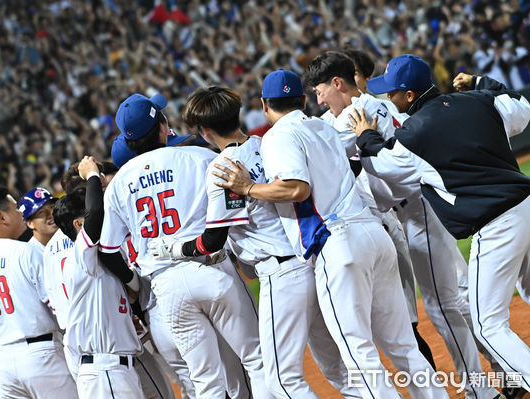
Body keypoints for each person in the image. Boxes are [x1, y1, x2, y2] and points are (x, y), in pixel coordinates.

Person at [214, 69, 447, 399]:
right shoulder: (323, 126)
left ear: (264, 105)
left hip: (338, 245)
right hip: (373, 234)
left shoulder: (278, 136)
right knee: (404, 347)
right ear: (304, 100)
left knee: (359, 354)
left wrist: (248, 187)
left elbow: (295, 187)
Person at [304, 51, 503, 399]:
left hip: (416, 208)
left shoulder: (354, 114)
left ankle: (482, 389)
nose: (318, 100)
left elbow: (330, 158)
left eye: (320, 90)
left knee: (443, 307)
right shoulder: (379, 104)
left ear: (337, 84)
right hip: (409, 212)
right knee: (450, 300)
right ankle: (496, 375)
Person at [148, 85, 360, 398]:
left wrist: (174, 249)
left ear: (205, 130)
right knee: (336, 367)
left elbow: (213, 240)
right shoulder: (268, 142)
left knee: (280, 380)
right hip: (312, 261)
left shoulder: (223, 168)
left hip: (281, 275)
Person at [349, 53, 530, 394]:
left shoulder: (415, 132)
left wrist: (365, 136)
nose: (389, 97)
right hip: (526, 208)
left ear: (410, 96)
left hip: (497, 227)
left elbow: (382, 164)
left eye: (393, 92)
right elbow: (519, 103)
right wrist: (479, 83)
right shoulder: (477, 100)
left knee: (488, 325)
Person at [99, 93, 270, 398]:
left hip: (166, 287)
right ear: (163, 127)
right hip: (211, 267)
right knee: (257, 361)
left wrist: (135, 282)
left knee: (206, 381)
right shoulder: (198, 157)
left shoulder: (117, 185)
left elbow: (109, 250)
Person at [0, 188, 77, 399]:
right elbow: (56, 304)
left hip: (0, 363)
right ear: (2, 217)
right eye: (16, 208)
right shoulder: (25, 251)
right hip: (40, 355)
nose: (21, 212)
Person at [53, 156, 144, 399]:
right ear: (78, 224)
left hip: (110, 370)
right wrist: (92, 174)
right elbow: (94, 212)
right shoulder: (82, 255)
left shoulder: (95, 262)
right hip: (106, 372)